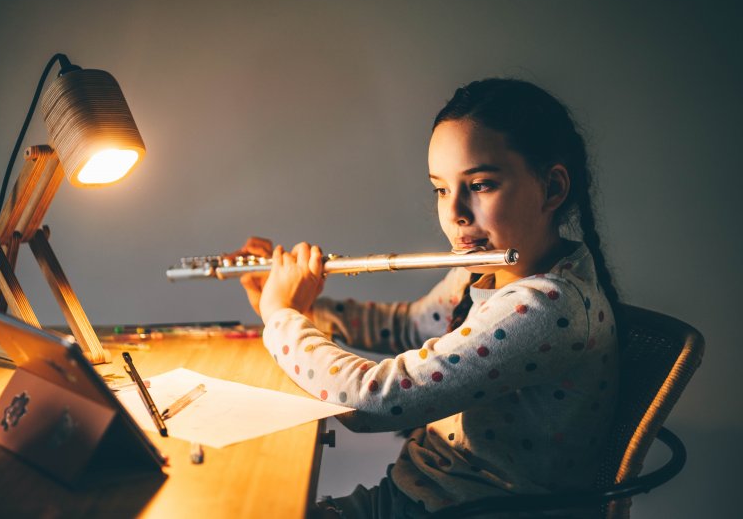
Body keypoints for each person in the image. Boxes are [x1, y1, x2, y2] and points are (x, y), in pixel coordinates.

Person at [234, 78, 621, 518]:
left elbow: (372, 402)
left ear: (552, 189)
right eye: (441, 188)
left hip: (457, 510)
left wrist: (280, 316)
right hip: (417, 496)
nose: (455, 211)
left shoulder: (546, 307)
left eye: (480, 184)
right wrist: (303, 304)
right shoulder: (485, 271)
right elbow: (408, 326)